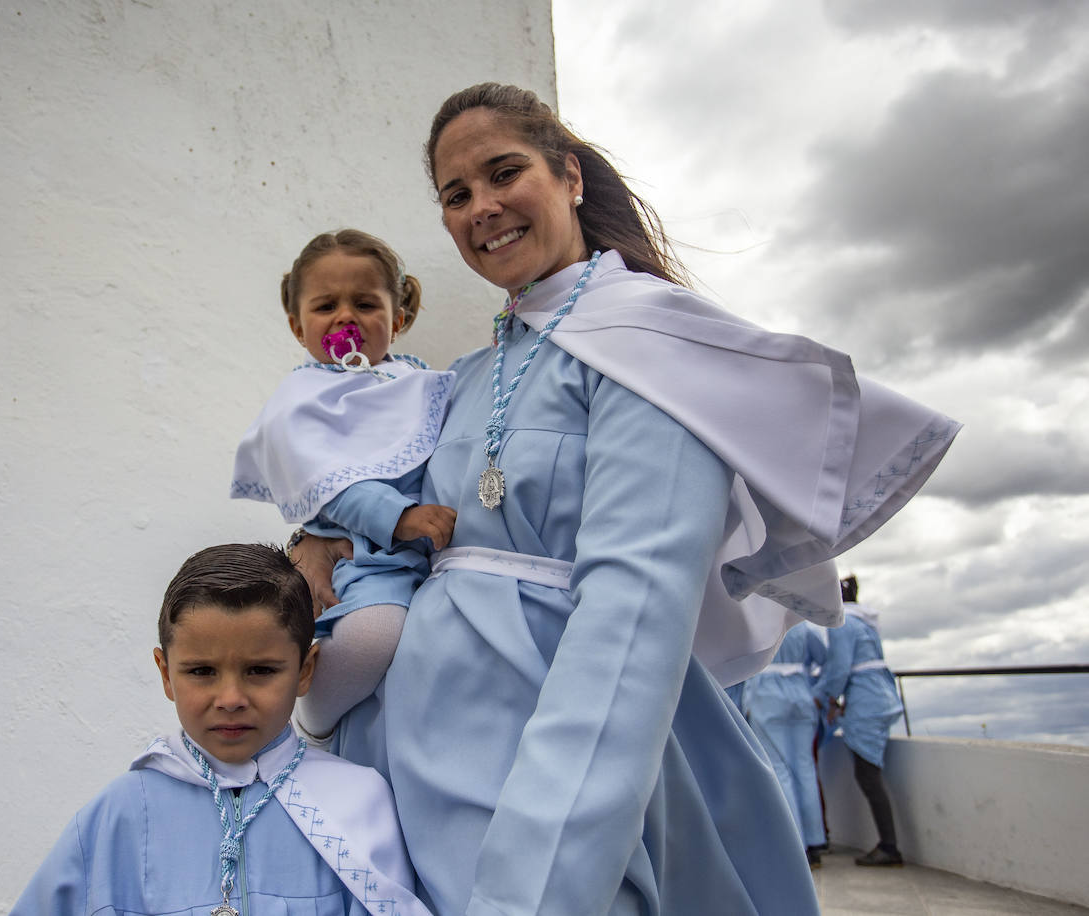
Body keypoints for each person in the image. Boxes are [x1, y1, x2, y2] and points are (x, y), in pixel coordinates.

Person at [290, 82, 959, 915]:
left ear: (570, 176)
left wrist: (537, 885)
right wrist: (315, 538)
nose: (482, 207)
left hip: (549, 782)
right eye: (456, 195)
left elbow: (630, 623)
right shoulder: (463, 377)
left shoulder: (656, 351)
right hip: (415, 772)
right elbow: (390, 518)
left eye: (505, 173)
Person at [10, 543, 431, 916]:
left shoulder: (358, 801)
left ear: (305, 671)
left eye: (261, 670)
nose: (231, 698)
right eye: (202, 671)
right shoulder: (119, 812)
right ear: (166, 674)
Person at [230, 230, 456, 760]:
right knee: (372, 637)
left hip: (436, 560)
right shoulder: (301, 398)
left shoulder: (418, 381)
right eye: (326, 305)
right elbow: (325, 486)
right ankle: (315, 727)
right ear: (297, 325)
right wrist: (399, 517)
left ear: (398, 317)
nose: (345, 318)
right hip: (367, 558)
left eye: (366, 303)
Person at [814, 574, 907, 867]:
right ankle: (888, 844)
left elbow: (839, 668)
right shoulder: (866, 622)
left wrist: (825, 697)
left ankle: (889, 847)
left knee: (868, 775)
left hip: (866, 700)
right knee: (871, 774)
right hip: (882, 694)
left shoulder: (844, 623)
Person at [744, 623, 831, 867]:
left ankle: (795, 845)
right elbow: (828, 660)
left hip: (767, 696)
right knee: (806, 769)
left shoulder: (759, 619)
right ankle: (815, 842)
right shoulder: (803, 625)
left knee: (780, 770)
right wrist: (819, 693)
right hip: (802, 696)